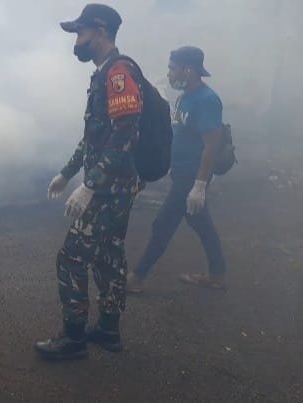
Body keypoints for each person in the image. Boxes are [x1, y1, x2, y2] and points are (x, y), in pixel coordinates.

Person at [35, 4, 143, 360]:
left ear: (99, 30)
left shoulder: (118, 73)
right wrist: (68, 173)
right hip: (115, 186)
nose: (76, 42)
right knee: (110, 256)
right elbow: (94, 137)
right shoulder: (103, 74)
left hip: (109, 188)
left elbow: (124, 138)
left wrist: (89, 184)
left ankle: (74, 337)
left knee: (70, 258)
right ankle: (109, 331)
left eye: (80, 33)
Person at [128, 47, 227, 292]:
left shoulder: (207, 100)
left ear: (189, 70)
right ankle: (217, 273)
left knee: (163, 224)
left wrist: (200, 185)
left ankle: (137, 277)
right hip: (181, 171)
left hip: (191, 175)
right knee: (199, 222)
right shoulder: (185, 95)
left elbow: (211, 145)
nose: (169, 73)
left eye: (172, 68)